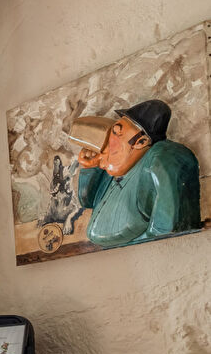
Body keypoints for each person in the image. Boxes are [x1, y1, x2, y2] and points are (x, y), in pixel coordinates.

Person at [68, 99, 202, 249]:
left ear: (141, 142)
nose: (108, 139)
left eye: (116, 133)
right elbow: (87, 201)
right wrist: (91, 167)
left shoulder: (157, 158)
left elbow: (167, 232)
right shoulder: (116, 168)